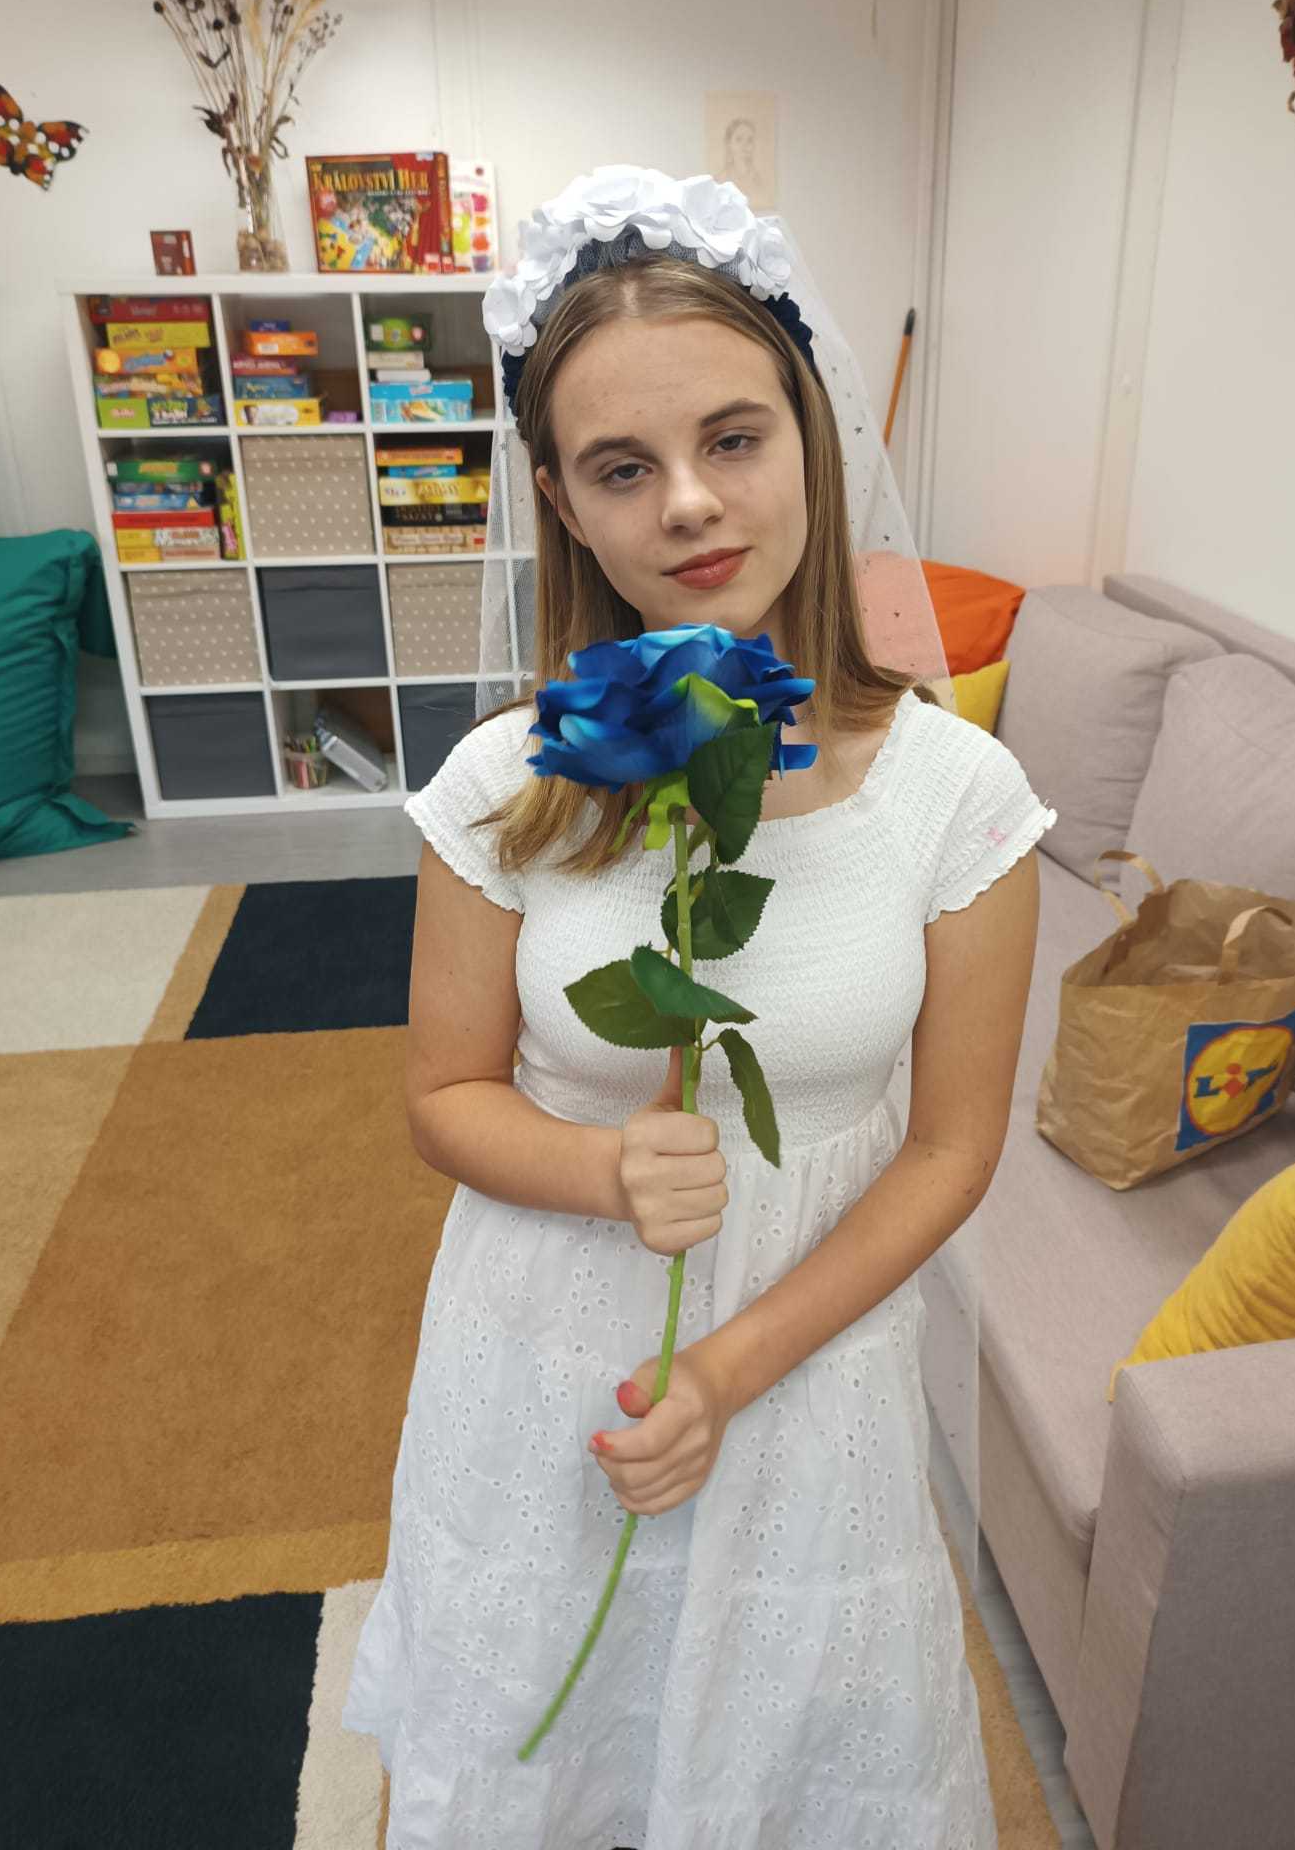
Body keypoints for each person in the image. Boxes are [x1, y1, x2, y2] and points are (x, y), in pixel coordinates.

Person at [342, 166, 1058, 1849]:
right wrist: (598, 1165)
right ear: (561, 501)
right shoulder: (505, 785)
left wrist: (730, 1370)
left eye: (733, 438)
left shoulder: (957, 797)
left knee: (787, 1750)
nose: (687, 504)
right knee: (557, 1729)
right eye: (621, 467)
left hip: (807, 1360)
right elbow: (443, 1096)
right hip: (551, 1352)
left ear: (811, 432)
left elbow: (950, 1152)